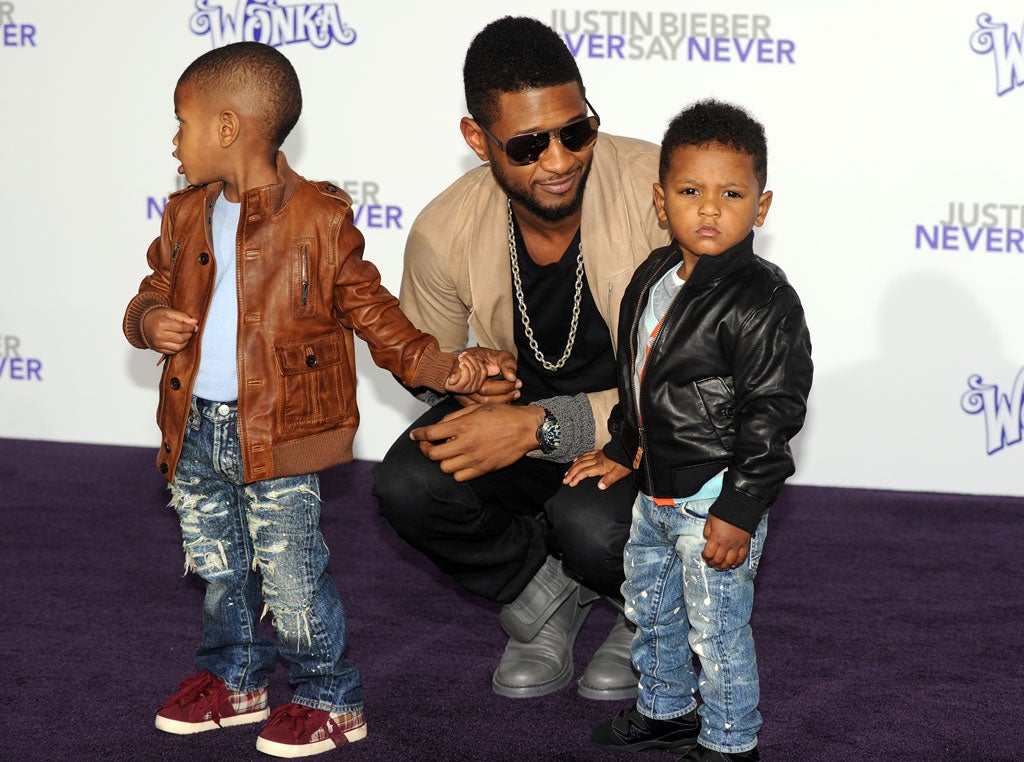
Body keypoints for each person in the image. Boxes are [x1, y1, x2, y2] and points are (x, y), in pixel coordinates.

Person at [122, 42, 510, 759]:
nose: (173, 141)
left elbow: (375, 315)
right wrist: (149, 321)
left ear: (228, 128)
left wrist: (447, 369)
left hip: (281, 432)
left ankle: (329, 696)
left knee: (291, 576)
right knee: (219, 568)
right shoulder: (184, 214)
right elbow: (153, 288)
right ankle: (234, 679)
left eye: (182, 122)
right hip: (196, 428)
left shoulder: (318, 218)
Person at [372, 16, 669, 701]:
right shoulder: (444, 229)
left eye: (576, 131)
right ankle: (545, 592)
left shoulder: (662, 193)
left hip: (650, 440)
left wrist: (542, 426)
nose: (560, 160)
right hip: (527, 432)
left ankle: (649, 611)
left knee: (591, 525)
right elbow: (426, 362)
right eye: (530, 145)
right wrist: (466, 378)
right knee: (410, 482)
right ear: (477, 140)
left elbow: (702, 379)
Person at [567, 100, 812, 760]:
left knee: (717, 628)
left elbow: (773, 415)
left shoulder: (764, 300)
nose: (709, 209)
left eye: (731, 194)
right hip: (654, 490)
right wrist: (623, 446)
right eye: (689, 191)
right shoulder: (652, 275)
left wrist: (739, 507)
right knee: (650, 608)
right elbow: (639, 377)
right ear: (660, 200)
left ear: (761, 207)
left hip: (713, 496)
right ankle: (666, 710)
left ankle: (731, 741)